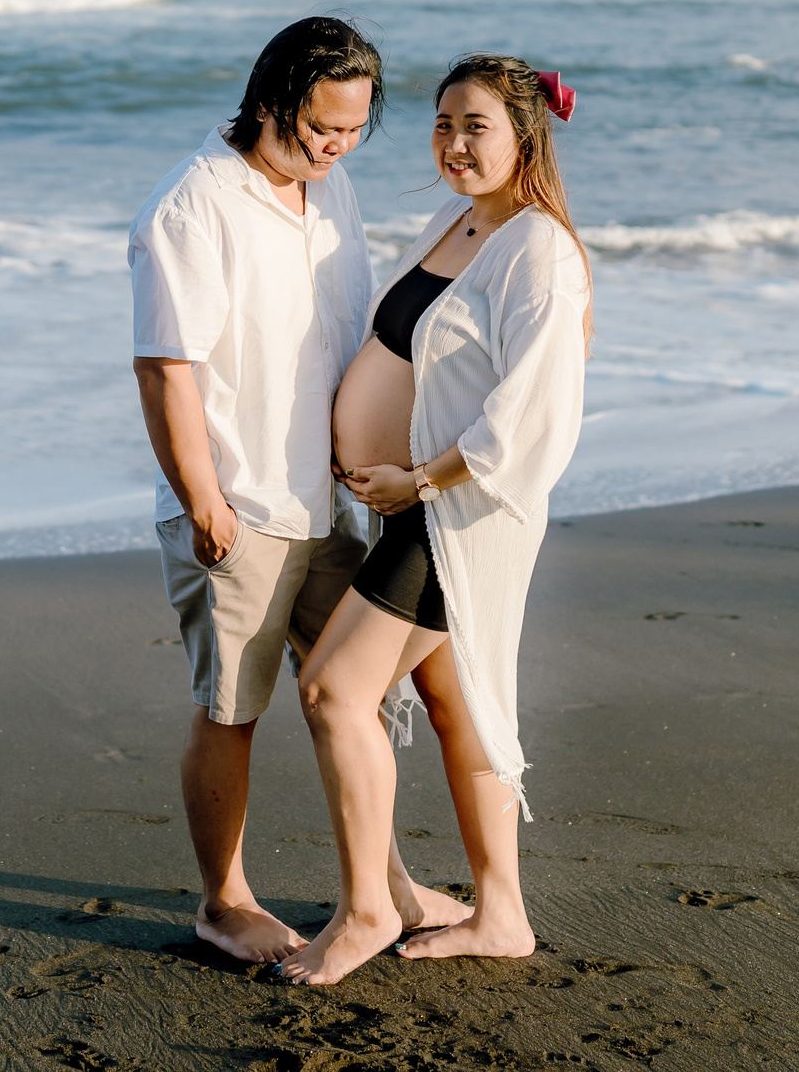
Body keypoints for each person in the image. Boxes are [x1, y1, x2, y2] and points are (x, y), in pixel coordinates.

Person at [129, 17, 466, 963]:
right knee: (231, 707)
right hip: (239, 502)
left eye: (355, 130)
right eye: (323, 127)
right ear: (270, 100)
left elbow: (347, 332)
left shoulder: (333, 188)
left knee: (361, 689)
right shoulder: (192, 206)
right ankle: (223, 902)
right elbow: (165, 367)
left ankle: (385, 884)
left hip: (329, 499)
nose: (338, 146)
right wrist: (204, 501)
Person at [279, 53, 592, 986]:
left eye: (476, 126)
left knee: (334, 692)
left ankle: (368, 909)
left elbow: (530, 417)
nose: (454, 143)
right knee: (459, 702)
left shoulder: (539, 251)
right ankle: (502, 914)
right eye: (444, 123)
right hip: (408, 504)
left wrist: (416, 481)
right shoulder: (457, 223)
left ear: (524, 136)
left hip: (455, 514)